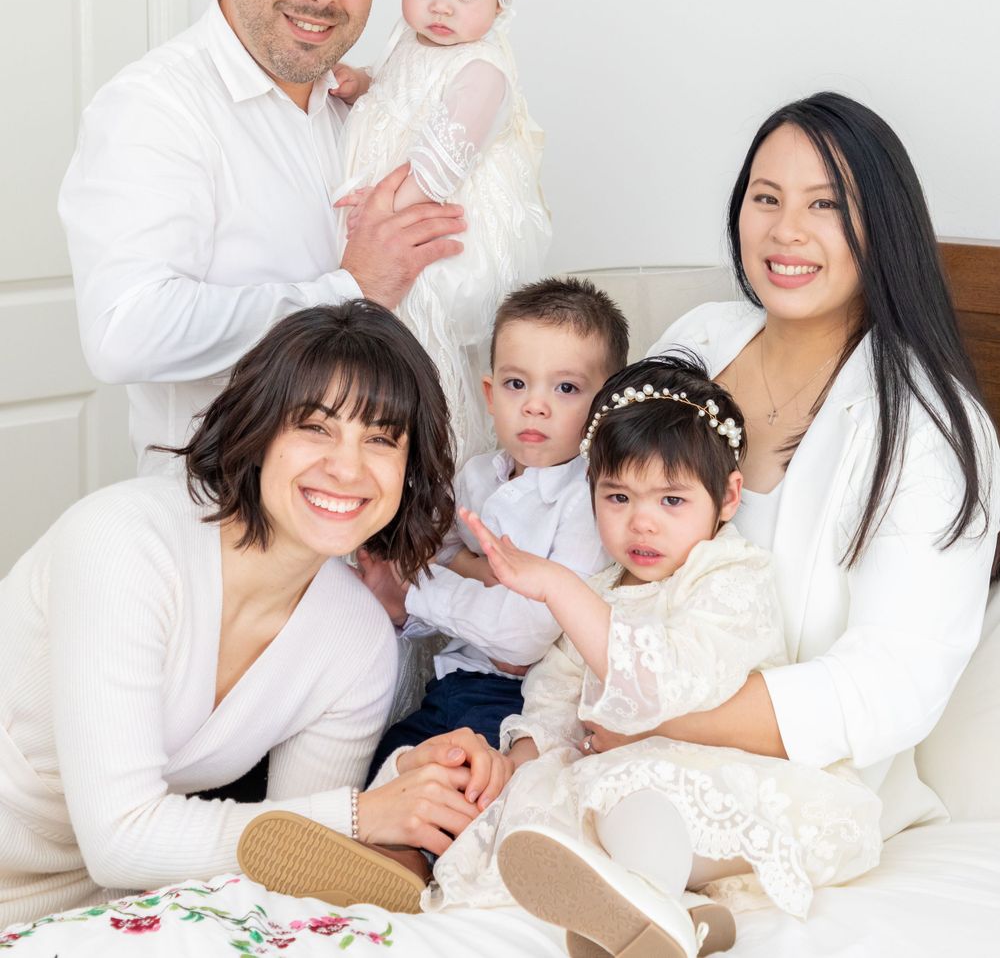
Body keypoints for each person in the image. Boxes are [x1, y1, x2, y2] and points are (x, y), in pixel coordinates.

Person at [571, 94, 999, 913]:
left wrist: (654, 717)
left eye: (825, 205)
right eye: (765, 198)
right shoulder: (697, 342)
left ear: (885, 229)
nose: (785, 231)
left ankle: (653, 898)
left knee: (625, 821)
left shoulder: (933, 428)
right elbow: (599, 528)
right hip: (610, 717)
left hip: (792, 777)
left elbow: (890, 682)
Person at [0, 302, 510, 929]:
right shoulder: (125, 543)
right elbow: (119, 840)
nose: (348, 467)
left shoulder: (355, 639)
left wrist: (406, 783)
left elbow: (289, 864)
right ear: (259, 432)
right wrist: (364, 812)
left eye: (380, 439)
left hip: (122, 906)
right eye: (316, 428)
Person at [415, 355, 883, 958]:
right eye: (617, 497)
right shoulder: (605, 588)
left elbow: (674, 676)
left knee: (635, 799)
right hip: (614, 782)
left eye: (671, 501)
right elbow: (553, 693)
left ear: (728, 496)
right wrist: (526, 761)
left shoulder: (729, 576)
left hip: (716, 777)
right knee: (530, 800)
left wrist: (558, 586)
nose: (642, 523)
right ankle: (673, 912)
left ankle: (644, 900)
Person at [58, 0, 465, 469]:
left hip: (366, 523)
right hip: (218, 528)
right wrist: (348, 291)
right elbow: (125, 331)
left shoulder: (358, 107)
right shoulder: (154, 106)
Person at [357, 276, 629, 776]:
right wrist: (477, 570)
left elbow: (522, 640)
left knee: (463, 789)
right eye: (516, 383)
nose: (534, 405)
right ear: (490, 393)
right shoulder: (478, 475)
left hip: (521, 702)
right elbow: (431, 552)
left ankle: (414, 854)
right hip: (454, 677)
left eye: (566, 387)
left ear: (605, 404)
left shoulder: (592, 501)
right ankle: (379, 848)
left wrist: (411, 596)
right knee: (386, 766)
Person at [333, 0, 551, 460]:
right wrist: (362, 82)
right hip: (396, 215)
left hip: (430, 222)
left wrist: (381, 210)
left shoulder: (481, 71)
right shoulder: (414, 41)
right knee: (380, 345)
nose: (440, 8)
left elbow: (438, 165)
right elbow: (395, 81)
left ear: (502, 0)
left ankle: (436, 468)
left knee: (421, 345)